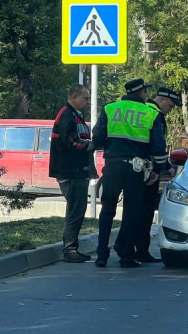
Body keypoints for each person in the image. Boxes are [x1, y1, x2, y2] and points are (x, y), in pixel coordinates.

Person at [92, 78, 168, 268]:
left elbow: (98, 136)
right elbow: (158, 147)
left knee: (107, 210)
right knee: (132, 212)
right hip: (137, 169)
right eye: (145, 92)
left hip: (112, 166)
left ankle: (101, 255)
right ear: (142, 93)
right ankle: (126, 256)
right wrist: (157, 170)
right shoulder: (151, 113)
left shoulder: (110, 109)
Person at [134, 87, 182, 263]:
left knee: (138, 211)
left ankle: (134, 249)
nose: (170, 110)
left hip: (139, 167)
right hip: (149, 171)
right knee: (146, 212)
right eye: (169, 106)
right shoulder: (155, 115)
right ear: (161, 100)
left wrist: (166, 165)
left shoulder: (143, 110)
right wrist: (162, 167)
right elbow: (157, 146)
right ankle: (141, 251)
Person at [49, 84, 96, 264]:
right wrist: (92, 145)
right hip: (71, 171)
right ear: (73, 97)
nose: (87, 101)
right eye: (85, 98)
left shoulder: (76, 116)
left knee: (77, 209)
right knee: (76, 210)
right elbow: (71, 142)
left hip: (78, 171)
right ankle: (69, 249)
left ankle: (72, 247)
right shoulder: (67, 115)